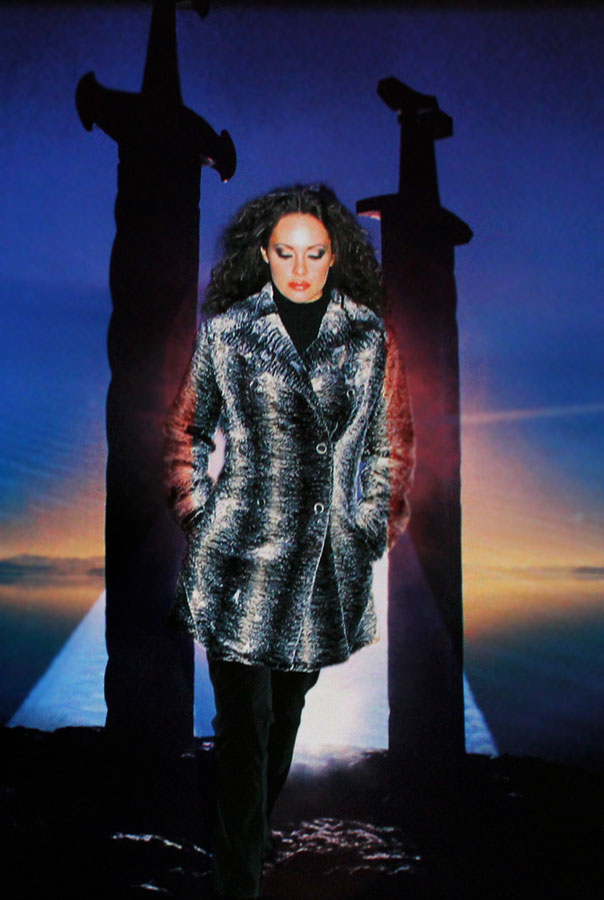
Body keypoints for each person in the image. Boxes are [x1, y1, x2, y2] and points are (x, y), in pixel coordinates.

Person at [164, 184, 415, 900]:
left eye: (314, 253)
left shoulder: (368, 340)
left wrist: (368, 528)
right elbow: (185, 430)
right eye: (285, 253)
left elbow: (390, 445)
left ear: (335, 257)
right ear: (263, 256)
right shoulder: (227, 333)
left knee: (285, 718)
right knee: (244, 726)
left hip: (322, 568)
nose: (299, 268)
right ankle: (237, 879)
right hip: (238, 561)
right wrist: (200, 514)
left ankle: (244, 839)